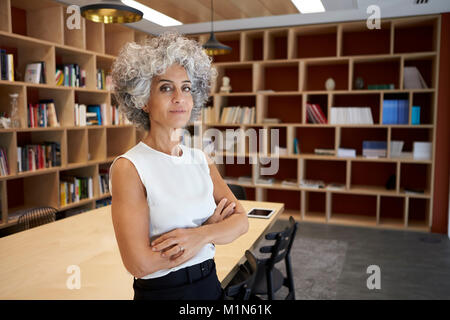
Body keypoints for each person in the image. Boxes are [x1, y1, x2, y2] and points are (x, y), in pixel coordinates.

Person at [109, 32, 249, 300]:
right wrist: (211, 233)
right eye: (165, 87)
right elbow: (139, 263)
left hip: (210, 285)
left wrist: (201, 234)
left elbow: (241, 222)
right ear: (142, 100)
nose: (179, 97)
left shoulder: (201, 160)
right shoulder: (130, 167)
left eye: (186, 87)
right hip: (165, 294)